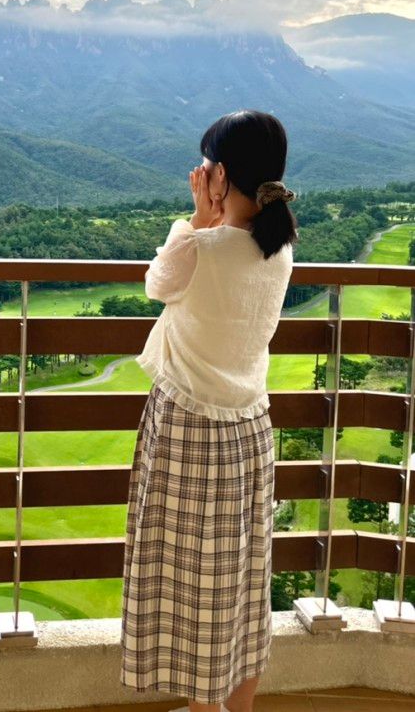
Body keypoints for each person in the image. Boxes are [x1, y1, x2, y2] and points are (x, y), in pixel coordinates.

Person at [120, 109, 299, 712]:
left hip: (189, 429)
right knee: (243, 581)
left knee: (192, 584)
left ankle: (203, 708)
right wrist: (213, 215)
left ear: (220, 175)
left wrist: (197, 217)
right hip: (250, 430)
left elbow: (158, 284)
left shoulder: (205, 245)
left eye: (205, 165)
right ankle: (237, 706)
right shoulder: (280, 251)